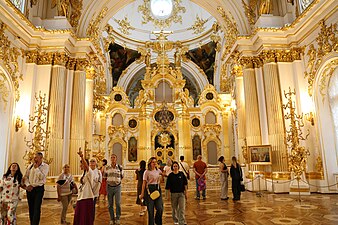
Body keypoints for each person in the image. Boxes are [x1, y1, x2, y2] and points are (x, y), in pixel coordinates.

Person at [23, 152, 49, 225]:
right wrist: (28, 185)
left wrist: (37, 168)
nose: (34, 159)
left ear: (41, 158)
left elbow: (42, 178)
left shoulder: (45, 166)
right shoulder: (30, 166)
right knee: (31, 208)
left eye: (36, 157)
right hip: (30, 189)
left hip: (38, 189)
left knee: (37, 208)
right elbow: (26, 177)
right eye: (34, 157)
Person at [73, 147, 95, 225]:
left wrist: (82, 157)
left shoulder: (90, 173)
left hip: (87, 197)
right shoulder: (83, 174)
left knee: (86, 218)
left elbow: (86, 166)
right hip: (81, 197)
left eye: (81, 164)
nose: (80, 166)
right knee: (79, 217)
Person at [139, 157, 163, 225]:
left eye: (155, 162)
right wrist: (142, 193)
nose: (154, 163)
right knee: (150, 210)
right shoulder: (147, 172)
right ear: (150, 163)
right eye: (153, 162)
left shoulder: (158, 170)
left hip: (157, 189)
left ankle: (158, 221)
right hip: (150, 189)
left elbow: (162, 174)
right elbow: (144, 183)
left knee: (160, 208)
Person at [105, 154, 124, 225]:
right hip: (109, 187)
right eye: (111, 158)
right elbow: (105, 176)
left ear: (116, 159)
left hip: (117, 187)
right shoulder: (107, 168)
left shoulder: (120, 167)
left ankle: (118, 218)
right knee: (110, 204)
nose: (113, 159)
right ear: (110, 159)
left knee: (118, 203)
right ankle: (112, 218)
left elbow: (122, 176)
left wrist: (116, 181)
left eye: (114, 158)